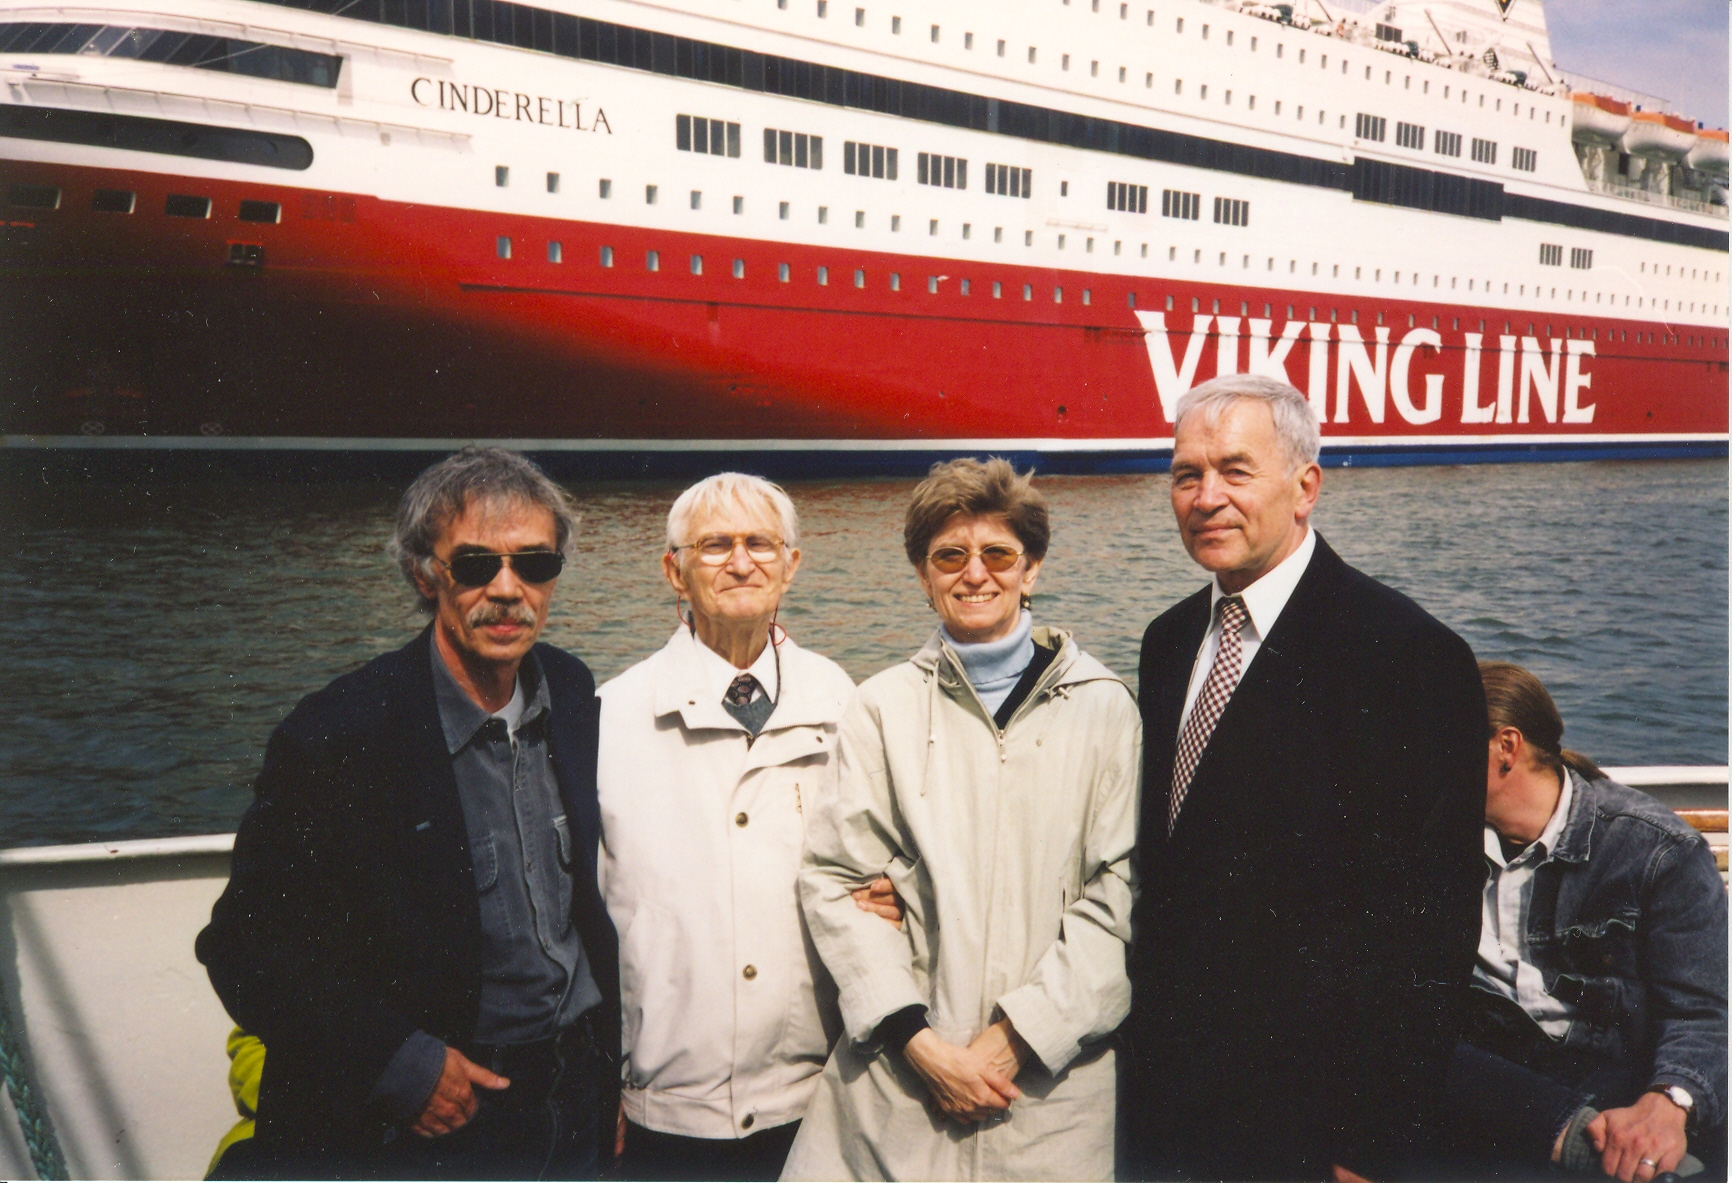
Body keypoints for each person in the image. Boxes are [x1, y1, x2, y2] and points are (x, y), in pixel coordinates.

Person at [196, 447, 618, 1179]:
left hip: (576, 1094)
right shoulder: (339, 735)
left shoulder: (571, 691)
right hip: (441, 1119)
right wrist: (398, 1062)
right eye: (476, 564)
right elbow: (243, 946)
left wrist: (607, 1078)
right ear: (426, 574)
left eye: (534, 563)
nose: (508, 589)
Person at [1120, 375, 1487, 1181]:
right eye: (1186, 474)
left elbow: (1432, 921)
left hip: (1308, 1118)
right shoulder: (1168, 640)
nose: (1206, 498)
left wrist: (1372, 1138)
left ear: (1305, 487)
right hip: (1163, 1098)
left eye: (1235, 470)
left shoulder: (1406, 654)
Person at [784, 457, 1142, 1181]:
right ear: (923, 575)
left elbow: (1120, 897)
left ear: (1031, 569)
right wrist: (920, 1044)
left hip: (1049, 1096)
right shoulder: (881, 708)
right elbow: (835, 881)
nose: (975, 573)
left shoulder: (1107, 707)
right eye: (950, 555)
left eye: (998, 554)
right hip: (901, 1086)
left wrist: (1019, 1038)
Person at [595, 473, 864, 1181]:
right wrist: (598, 1078)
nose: (741, 562)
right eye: (714, 545)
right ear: (673, 571)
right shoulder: (610, 716)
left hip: (816, 1104)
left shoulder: (845, 702)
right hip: (661, 1111)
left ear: (792, 563)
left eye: (760, 544)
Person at [1444, 661, 1727, 1183]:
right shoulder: (1427, 839)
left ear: (1506, 747)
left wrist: (1668, 1102)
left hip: (1609, 1078)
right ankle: (1577, 1141)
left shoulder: (1655, 850)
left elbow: (1702, 1011)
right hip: (1492, 1075)